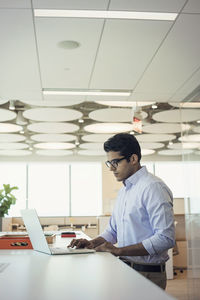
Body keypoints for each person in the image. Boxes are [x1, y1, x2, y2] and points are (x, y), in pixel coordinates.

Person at [69, 133, 175, 290]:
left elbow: (165, 238)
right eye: (109, 163)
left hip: (147, 275)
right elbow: (112, 231)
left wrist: (118, 251)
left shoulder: (153, 187)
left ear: (133, 159)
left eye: (115, 162)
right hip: (126, 270)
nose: (111, 168)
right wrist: (92, 242)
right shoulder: (124, 191)